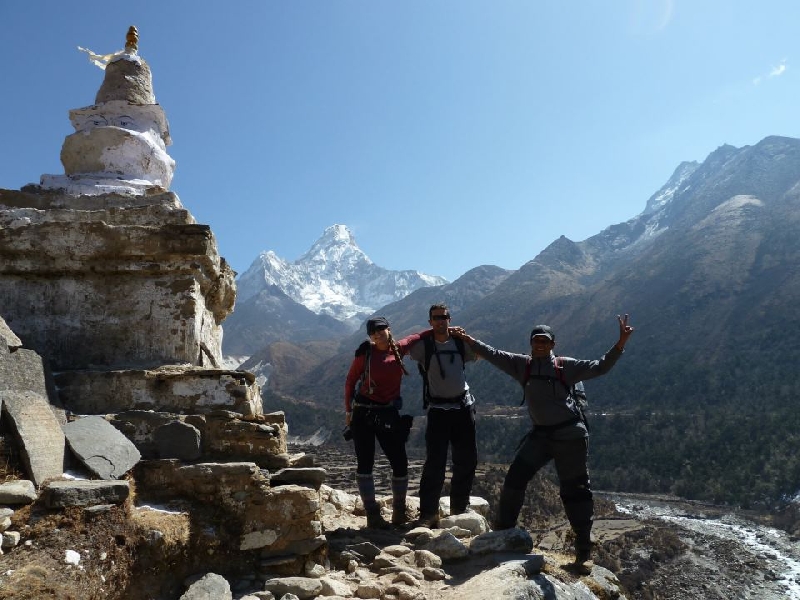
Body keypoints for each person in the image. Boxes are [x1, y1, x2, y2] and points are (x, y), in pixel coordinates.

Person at [451, 314, 634, 573]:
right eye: (536, 340)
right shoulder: (522, 365)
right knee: (514, 479)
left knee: (575, 492)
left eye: (544, 341)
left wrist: (621, 343)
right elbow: (493, 354)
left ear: (552, 344)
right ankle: (504, 534)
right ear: (531, 343)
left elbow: (600, 367)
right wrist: (468, 340)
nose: (540, 344)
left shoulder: (565, 366)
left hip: (570, 436)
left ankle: (583, 553)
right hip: (541, 436)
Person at [344, 316, 423, 529]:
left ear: (389, 330)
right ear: (370, 336)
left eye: (381, 330)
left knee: (399, 462)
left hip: (388, 413)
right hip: (364, 415)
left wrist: (444, 329)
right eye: (373, 332)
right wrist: (348, 411)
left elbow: (417, 336)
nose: (378, 335)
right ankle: (372, 514)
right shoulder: (365, 355)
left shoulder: (398, 349)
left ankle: (399, 511)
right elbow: (351, 381)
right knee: (365, 463)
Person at [406, 304, 479, 528]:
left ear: (450, 319)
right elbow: (400, 350)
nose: (440, 321)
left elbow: (478, 353)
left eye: (444, 317)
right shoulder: (423, 346)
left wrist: (466, 337)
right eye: (436, 318)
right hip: (438, 411)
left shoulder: (459, 343)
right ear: (430, 322)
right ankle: (428, 513)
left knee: (466, 460)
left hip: (463, 408)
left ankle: (459, 507)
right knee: (434, 463)